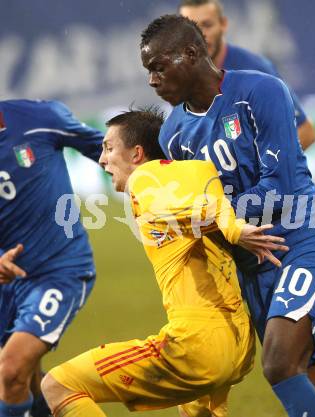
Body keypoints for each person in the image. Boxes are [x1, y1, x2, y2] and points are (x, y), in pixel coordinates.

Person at [140, 15, 315, 417]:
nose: (153, 80)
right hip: (252, 268)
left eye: (158, 67)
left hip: (302, 243)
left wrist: (219, 216)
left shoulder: (260, 91)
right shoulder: (173, 133)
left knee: (278, 363)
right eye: (148, 71)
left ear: (190, 55)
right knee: (314, 388)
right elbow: (195, 215)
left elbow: (282, 187)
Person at [41, 108, 289, 417]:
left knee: (58, 386)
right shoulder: (198, 170)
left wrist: (234, 229)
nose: (102, 159)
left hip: (197, 341)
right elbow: (215, 201)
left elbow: (195, 209)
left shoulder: (143, 180)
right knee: (196, 412)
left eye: (108, 148)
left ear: (137, 153)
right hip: (238, 344)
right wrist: (230, 225)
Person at [0, 99, 104, 417]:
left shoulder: (40, 117)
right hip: (6, 282)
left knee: (11, 370)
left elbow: (110, 152)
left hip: (59, 269)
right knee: (27, 380)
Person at [178, 0, 315, 150]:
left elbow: (305, 131)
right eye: (192, 28)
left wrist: (262, 170)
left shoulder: (256, 70)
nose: (200, 36)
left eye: (207, 25)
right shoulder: (178, 76)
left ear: (223, 24)